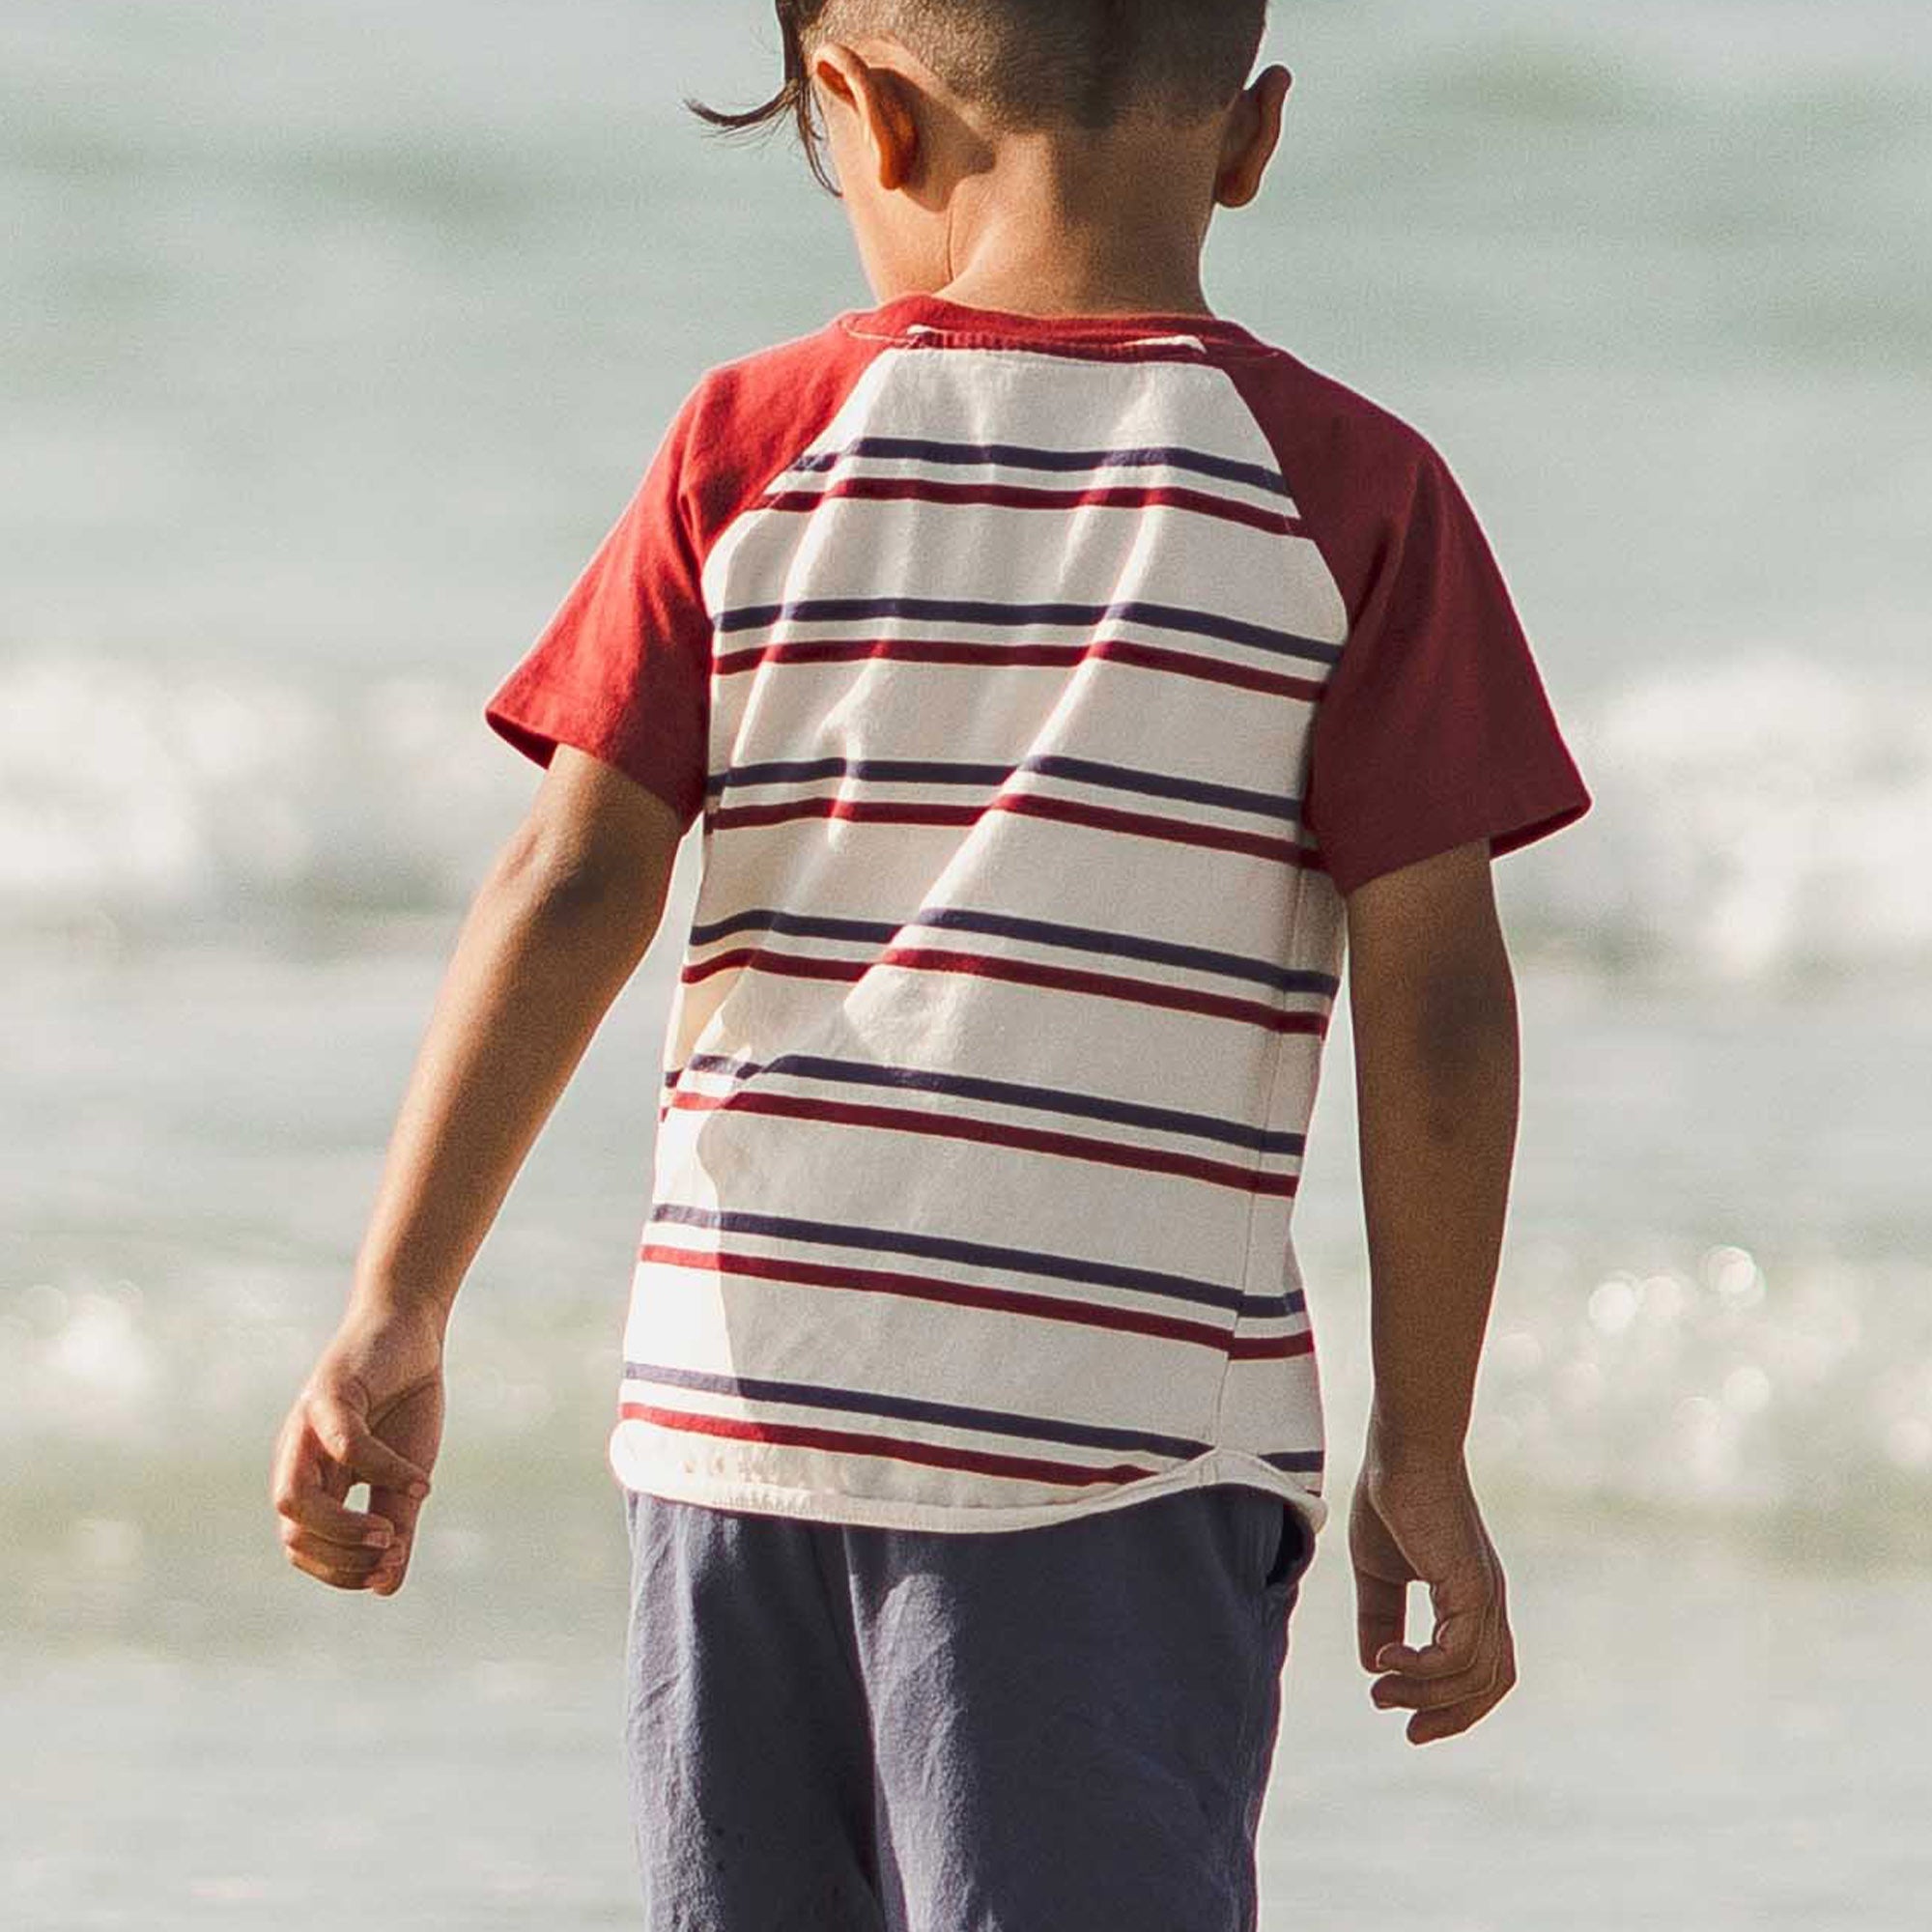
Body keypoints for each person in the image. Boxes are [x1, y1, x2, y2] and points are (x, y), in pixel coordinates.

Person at [269, 2, 1593, 1925]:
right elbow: (1441, 996)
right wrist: (1425, 1435)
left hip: (742, 1426)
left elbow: (566, 887)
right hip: (1119, 1454)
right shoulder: (1351, 494)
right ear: (1254, 136)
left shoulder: (751, 447)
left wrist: (396, 1304)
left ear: (861, 113)